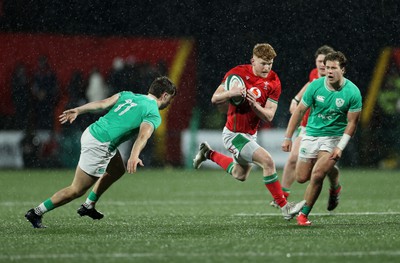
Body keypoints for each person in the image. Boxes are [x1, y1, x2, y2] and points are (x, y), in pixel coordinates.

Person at [25, 76, 177, 228]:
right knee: (76, 190)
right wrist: (134, 155)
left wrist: (79, 110)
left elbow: (102, 104)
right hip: (100, 145)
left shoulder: (128, 95)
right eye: (170, 98)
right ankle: (36, 212)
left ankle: (89, 205)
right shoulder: (153, 113)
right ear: (164, 95)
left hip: (92, 132)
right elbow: (143, 136)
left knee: (117, 169)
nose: (170, 102)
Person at [193, 43, 306, 220]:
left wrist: (255, 105)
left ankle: (208, 153)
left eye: (270, 63)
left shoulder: (274, 82)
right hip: (234, 134)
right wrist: (231, 92)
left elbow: (269, 116)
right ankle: (285, 206)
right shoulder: (237, 73)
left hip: (249, 134)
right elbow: (215, 98)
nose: (267, 67)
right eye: (263, 63)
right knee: (268, 161)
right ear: (253, 60)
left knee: (240, 174)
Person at [281, 51, 362, 226]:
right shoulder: (315, 86)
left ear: (343, 70)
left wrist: (340, 146)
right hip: (310, 135)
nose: (329, 71)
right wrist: (288, 137)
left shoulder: (353, 92)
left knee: (317, 174)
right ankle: (335, 185)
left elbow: (352, 123)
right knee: (302, 177)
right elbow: (299, 111)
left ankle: (303, 215)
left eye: (334, 68)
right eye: (327, 68)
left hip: (333, 138)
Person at [270, 45, 335, 208]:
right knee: (293, 159)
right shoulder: (314, 75)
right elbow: (309, 83)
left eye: (324, 62)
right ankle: (282, 196)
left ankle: (335, 187)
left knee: (325, 168)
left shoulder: (335, 82)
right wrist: (296, 99)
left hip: (326, 130)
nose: (321, 65)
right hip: (308, 127)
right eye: (318, 61)